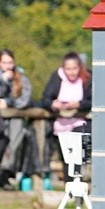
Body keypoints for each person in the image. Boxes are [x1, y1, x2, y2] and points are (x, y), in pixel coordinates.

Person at [0, 48, 36, 186]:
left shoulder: (22, 79)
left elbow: (25, 101)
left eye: (10, 62)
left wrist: (9, 102)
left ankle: (5, 172)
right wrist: (2, 82)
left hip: (16, 119)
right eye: (4, 62)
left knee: (12, 146)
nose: (8, 66)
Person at [41, 51, 93, 181]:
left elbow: (93, 100)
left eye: (74, 68)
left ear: (79, 67)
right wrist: (54, 104)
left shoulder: (87, 77)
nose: (72, 72)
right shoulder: (56, 77)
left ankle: (80, 188)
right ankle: (69, 190)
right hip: (61, 126)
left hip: (81, 124)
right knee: (65, 159)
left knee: (78, 157)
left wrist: (78, 104)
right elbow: (45, 99)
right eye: (68, 69)